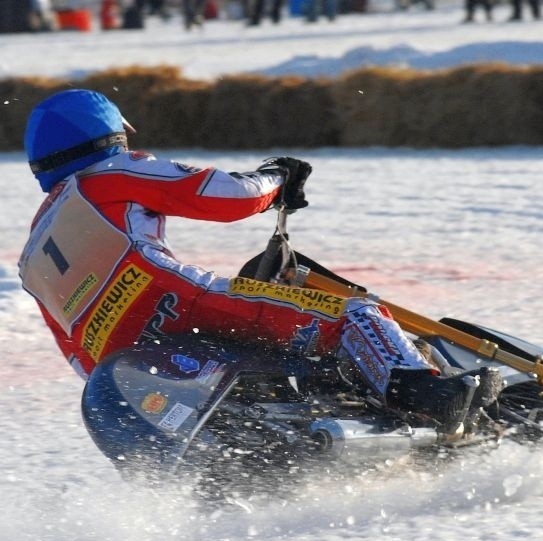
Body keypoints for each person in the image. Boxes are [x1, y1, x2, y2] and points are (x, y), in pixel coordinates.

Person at [19, 89, 499, 446]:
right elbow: (226, 196)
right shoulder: (108, 175)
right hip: (184, 303)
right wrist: (278, 177)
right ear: (110, 135)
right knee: (353, 313)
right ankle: (429, 396)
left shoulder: (33, 254)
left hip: (124, 356)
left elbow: (79, 356)